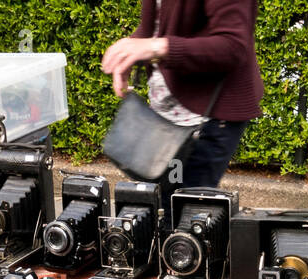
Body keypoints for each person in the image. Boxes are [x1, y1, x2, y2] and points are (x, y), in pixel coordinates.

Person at [101, 0, 263, 188]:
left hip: (205, 119)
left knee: (184, 211)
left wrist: (155, 47)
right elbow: (162, 22)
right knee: (163, 203)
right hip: (164, 117)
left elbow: (233, 46)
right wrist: (132, 48)